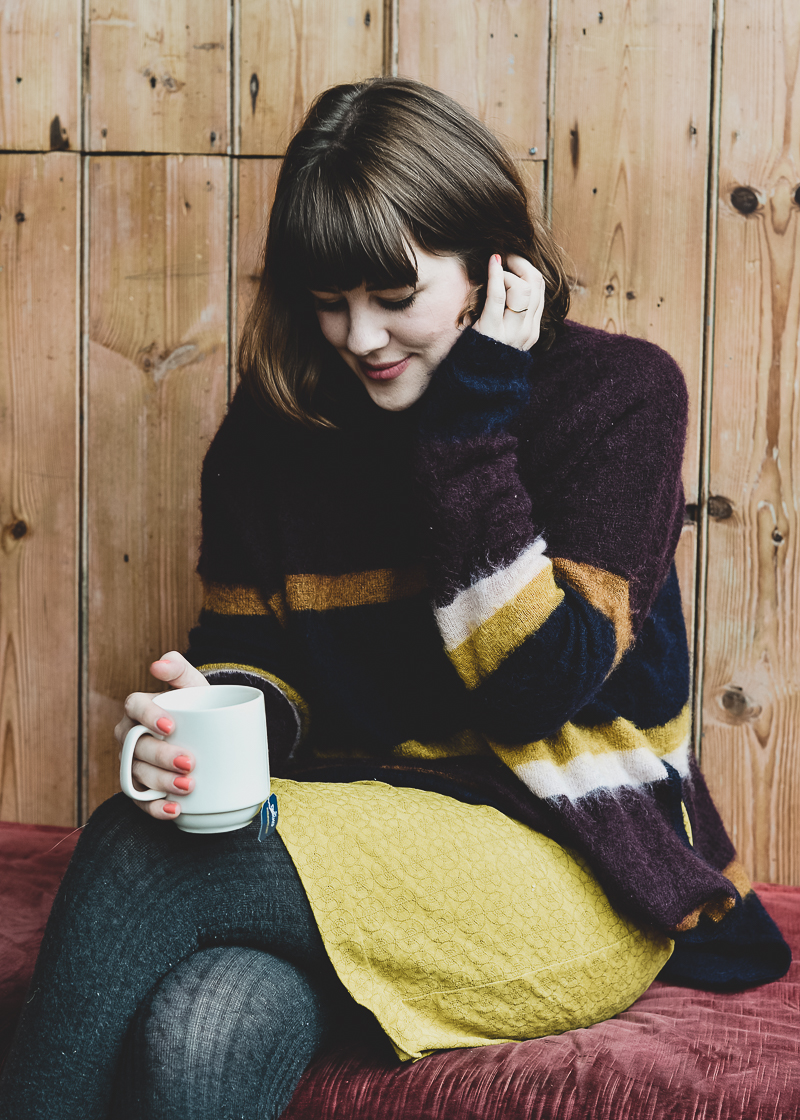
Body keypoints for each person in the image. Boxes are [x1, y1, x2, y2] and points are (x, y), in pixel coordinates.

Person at [0, 77, 790, 1120]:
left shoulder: (618, 397)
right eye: (329, 301)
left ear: (492, 267)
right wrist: (207, 722)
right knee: (202, 1020)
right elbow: (256, 659)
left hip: (572, 861)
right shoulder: (273, 433)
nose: (360, 336)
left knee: (142, 852)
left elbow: (532, 685)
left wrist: (469, 417)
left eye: (393, 294)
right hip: (363, 850)